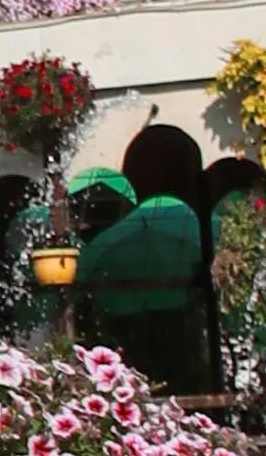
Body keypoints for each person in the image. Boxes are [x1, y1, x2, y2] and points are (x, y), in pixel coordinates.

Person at [70, 139, 216, 397]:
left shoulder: (102, 245)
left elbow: (77, 295)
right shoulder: (214, 231)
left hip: (127, 349)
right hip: (191, 346)